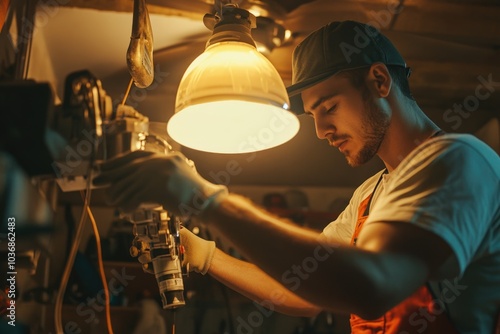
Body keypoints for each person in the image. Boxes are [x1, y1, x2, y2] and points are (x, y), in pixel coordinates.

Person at [93, 20, 500, 333]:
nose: (321, 131)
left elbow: (372, 285)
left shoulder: (458, 161)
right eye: (314, 115)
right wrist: (205, 255)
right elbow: (300, 288)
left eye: (330, 107)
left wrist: (205, 199)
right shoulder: (369, 195)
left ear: (379, 80)